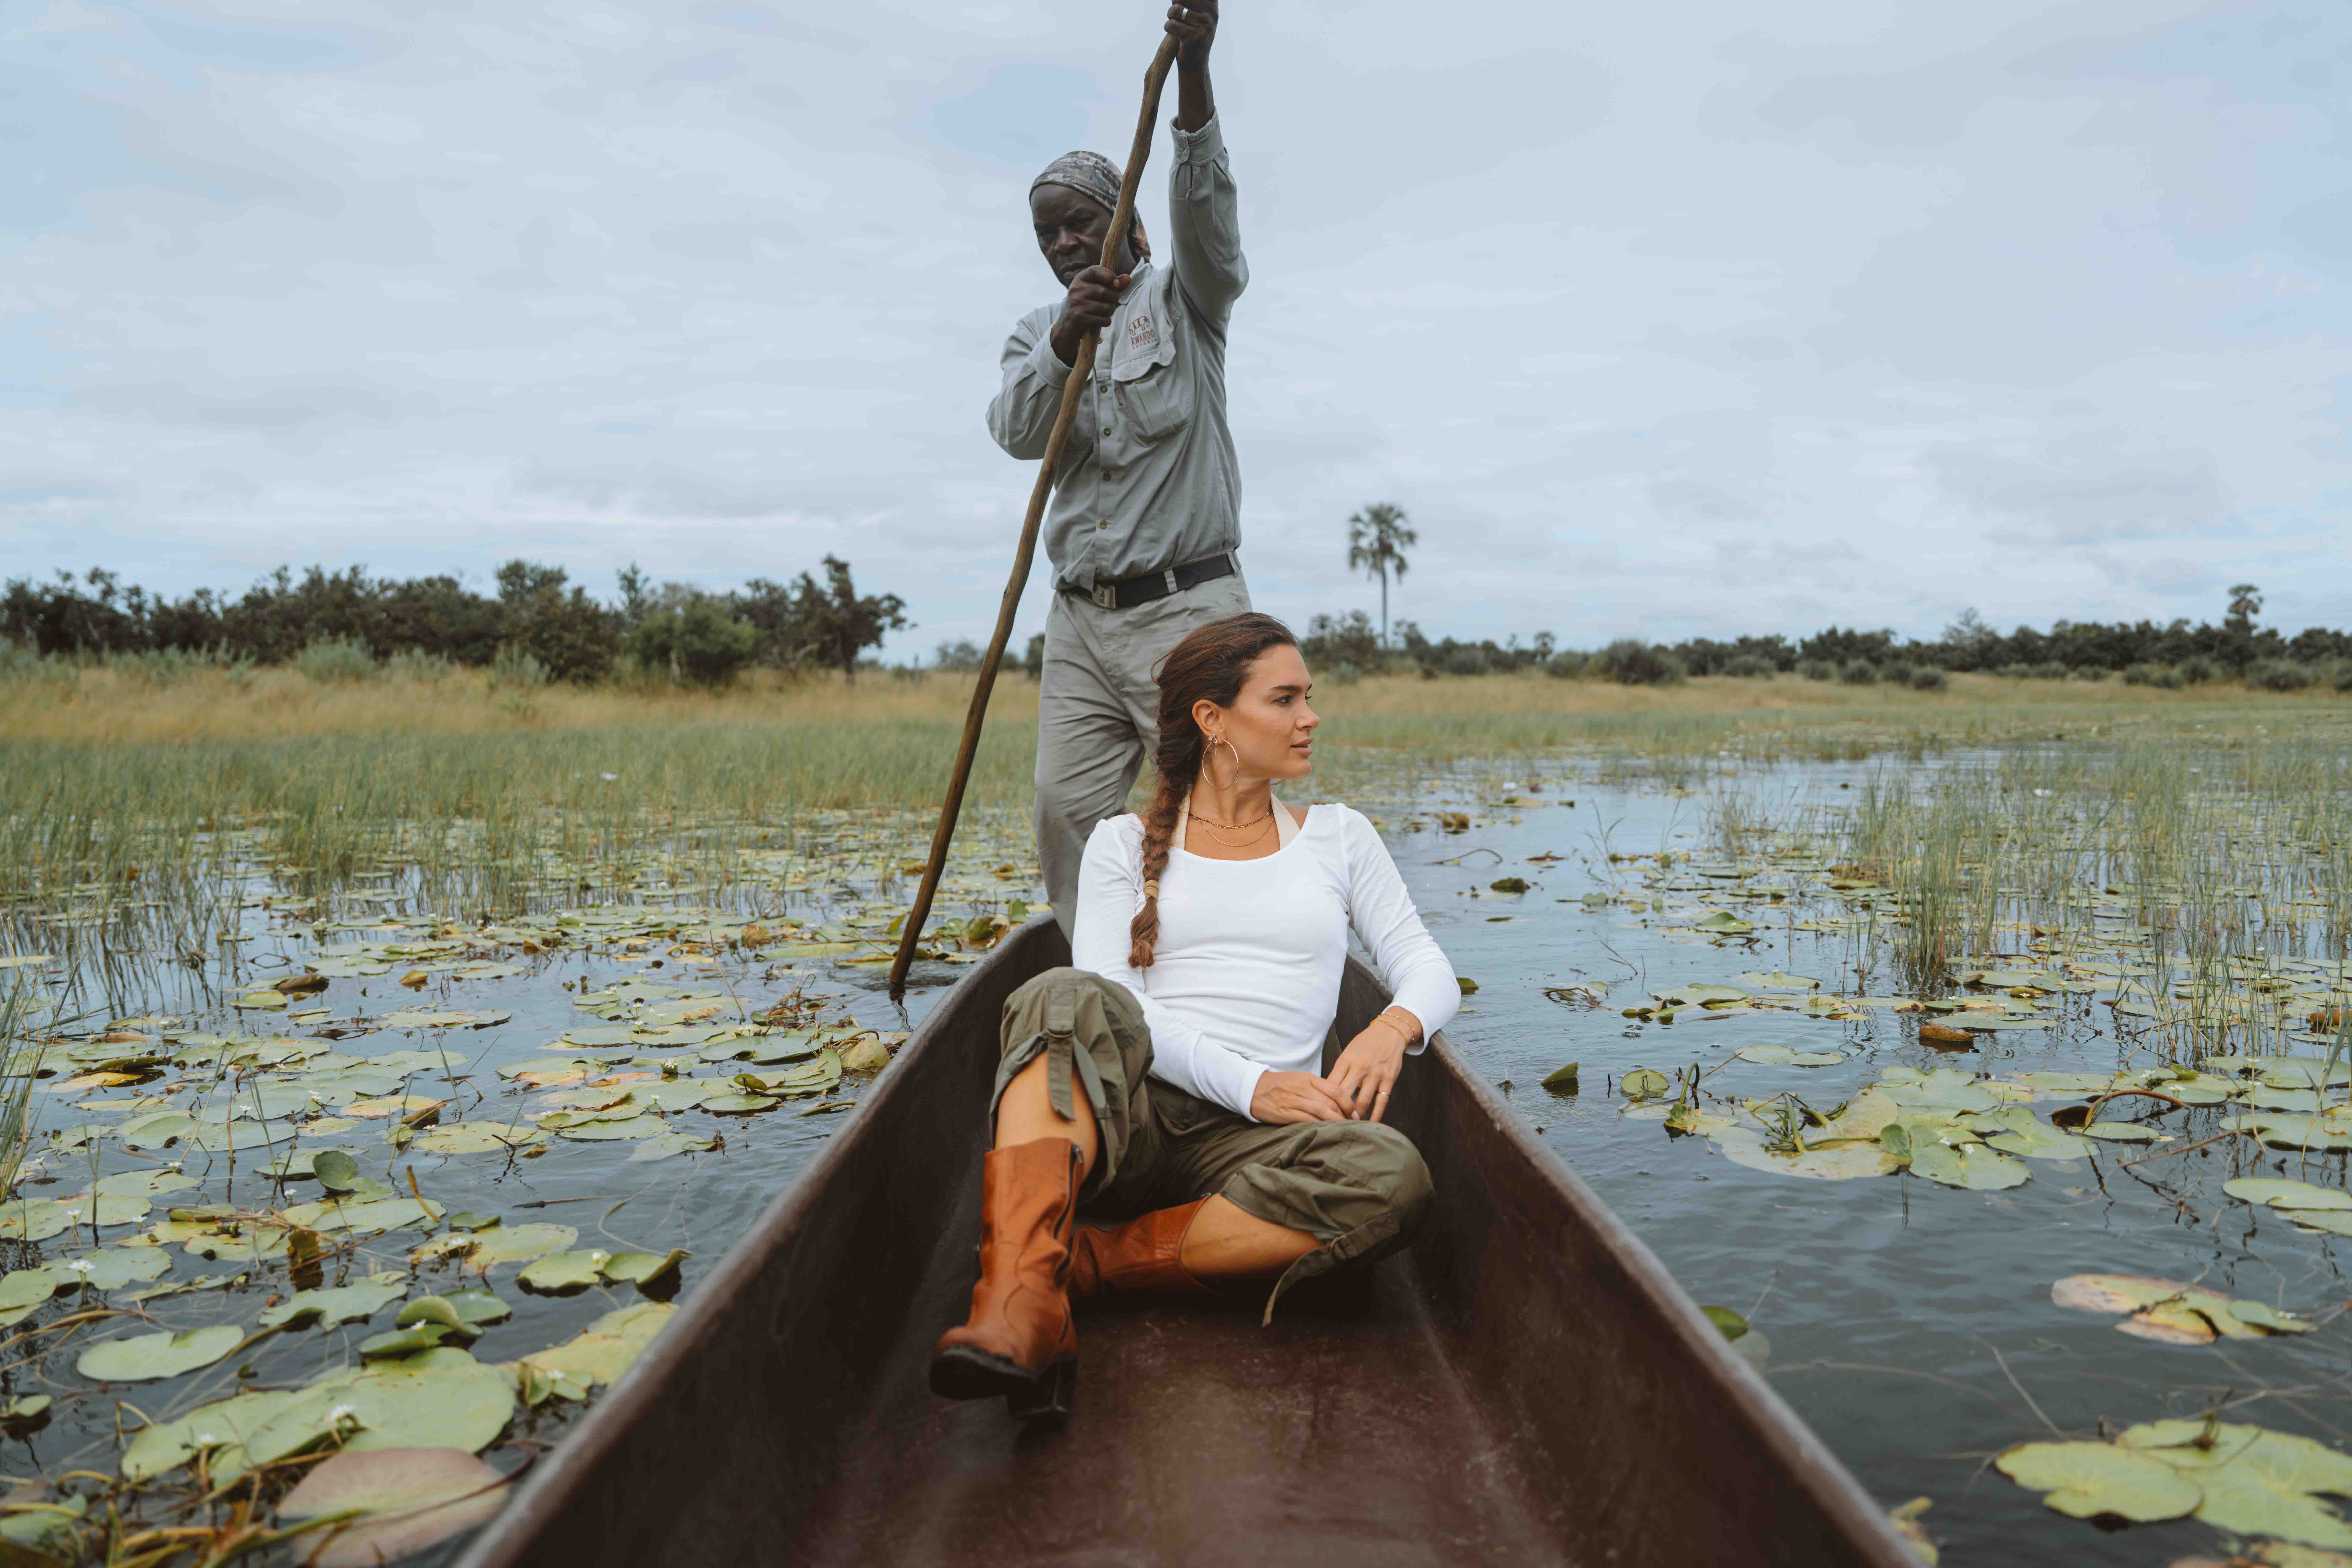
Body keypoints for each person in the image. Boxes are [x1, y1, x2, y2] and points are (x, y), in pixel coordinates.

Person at [930, 613, 1460, 1418]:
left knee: (1393, 1177)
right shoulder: (1119, 844)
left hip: (1263, 1150)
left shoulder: (1341, 838)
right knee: (1062, 996)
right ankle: (1018, 1305)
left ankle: (1081, 1268)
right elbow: (1118, 1007)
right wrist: (1255, 1085)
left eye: (1308, 697)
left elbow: (1426, 966)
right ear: (1213, 721)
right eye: (1284, 699)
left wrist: (1393, 1028)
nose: (1310, 718)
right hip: (1129, 1117)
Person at [988, 0, 1252, 934]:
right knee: (1068, 815)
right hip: (1081, 624)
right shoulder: (1038, 333)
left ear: (1131, 228)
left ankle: (1234, 987)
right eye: (1048, 234)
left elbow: (1208, 221)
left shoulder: (1188, 302)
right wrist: (1067, 337)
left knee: (1222, 812)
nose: (1063, 242)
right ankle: (1101, 984)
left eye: (1080, 224)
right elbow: (1017, 432)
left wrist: (1193, 74)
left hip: (1190, 613)